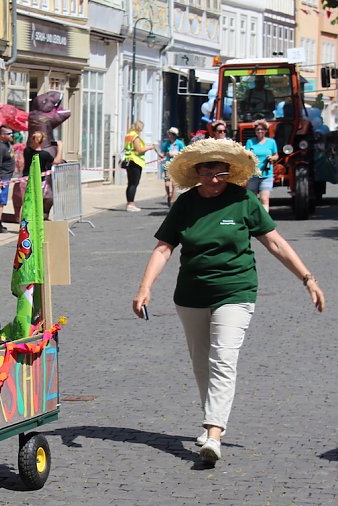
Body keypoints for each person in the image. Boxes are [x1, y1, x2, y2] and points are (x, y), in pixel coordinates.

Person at [131, 138, 325, 467]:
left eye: (220, 171)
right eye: (207, 171)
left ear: (229, 172)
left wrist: (308, 279)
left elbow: (275, 243)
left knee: (223, 359)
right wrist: (144, 287)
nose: (214, 178)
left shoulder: (244, 201)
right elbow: (165, 247)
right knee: (201, 363)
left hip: (236, 291)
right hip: (191, 294)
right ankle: (212, 418)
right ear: (197, 173)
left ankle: (213, 432)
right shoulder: (186, 203)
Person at [245, 119, 279, 210]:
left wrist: (272, 158)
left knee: (264, 199)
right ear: (255, 131)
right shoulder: (250, 142)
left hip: (266, 174)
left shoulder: (271, 142)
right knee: (252, 200)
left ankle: (264, 222)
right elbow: (246, 155)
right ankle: (253, 220)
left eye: (262, 129)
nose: (260, 131)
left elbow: (276, 155)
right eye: (258, 129)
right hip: (253, 174)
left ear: (266, 131)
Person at [122, 120, 149, 212]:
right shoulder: (135, 136)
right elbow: (139, 150)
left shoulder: (128, 135)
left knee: (130, 183)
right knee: (134, 183)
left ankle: (129, 203)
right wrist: (150, 147)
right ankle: (131, 204)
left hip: (129, 160)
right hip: (135, 161)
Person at [156, 127, 185, 207]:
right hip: (167, 165)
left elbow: (184, 153)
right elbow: (162, 154)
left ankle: (172, 201)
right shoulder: (166, 143)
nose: (170, 136)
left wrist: (175, 154)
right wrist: (156, 150)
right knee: (167, 184)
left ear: (175, 135)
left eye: (172, 134)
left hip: (176, 165)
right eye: (170, 134)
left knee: (174, 184)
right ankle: (169, 196)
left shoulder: (179, 143)